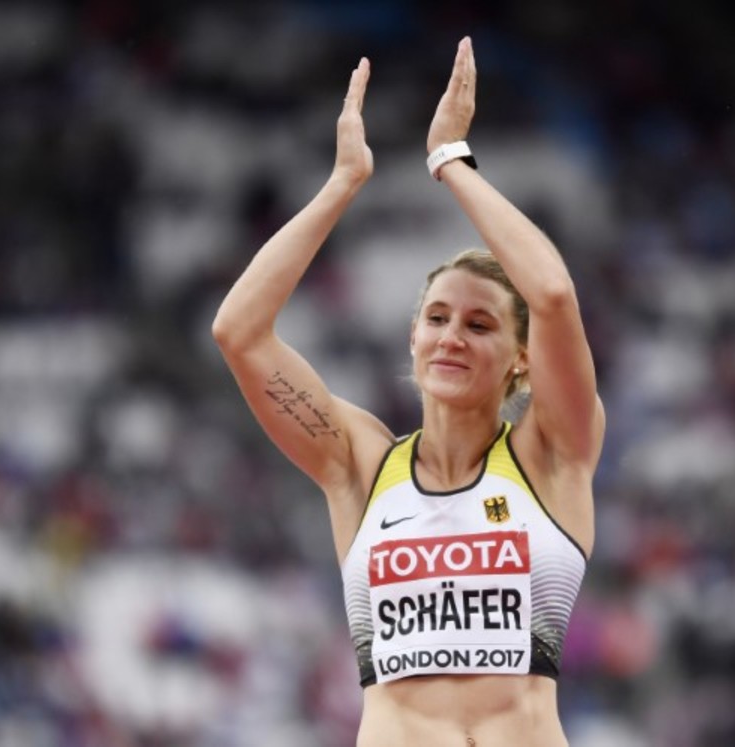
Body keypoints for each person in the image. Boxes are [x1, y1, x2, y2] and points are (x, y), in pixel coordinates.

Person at [211, 36, 603, 747]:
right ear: (412, 339)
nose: (452, 337)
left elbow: (550, 293)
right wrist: (342, 184)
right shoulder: (360, 463)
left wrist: (450, 160)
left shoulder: (552, 454)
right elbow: (239, 331)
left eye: (479, 324)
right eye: (436, 318)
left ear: (521, 360)